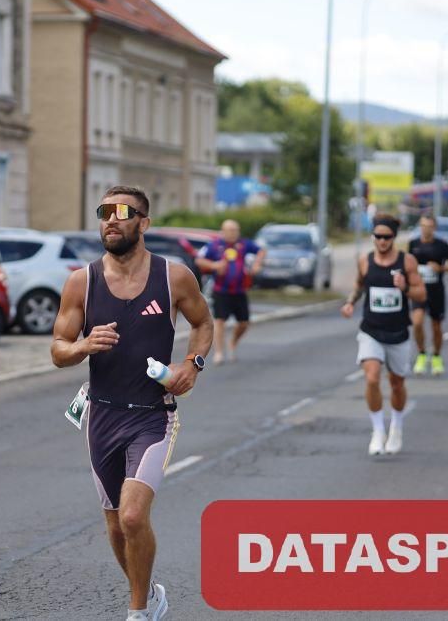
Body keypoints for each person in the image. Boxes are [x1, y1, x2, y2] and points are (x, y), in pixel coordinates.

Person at [51, 185, 213, 621]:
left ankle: (138, 610)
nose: (111, 219)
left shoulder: (173, 277)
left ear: (144, 223)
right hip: (101, 416)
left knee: (133, 516)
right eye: (104, 211)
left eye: (123, 211)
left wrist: (192, 365)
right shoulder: (82, 282)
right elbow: (58, 350)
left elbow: (202, 323)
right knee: (115, 523)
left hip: (152, 417)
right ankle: (150, 592)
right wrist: (83, 345)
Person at [341, 214, 426, 456]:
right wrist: (350, 302)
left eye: (386, 237)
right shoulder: (365, 261)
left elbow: (421, 295)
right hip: (371, 330)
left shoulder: (406, 261)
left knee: (397, 384)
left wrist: (405, 287)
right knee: (371, 378)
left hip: (398, 332)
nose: (382, 241)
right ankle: (378, 430)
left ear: (394, 237)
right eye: (377, 236)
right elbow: (359, 285)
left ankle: (396, 427)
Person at [195, 219, 265, 365]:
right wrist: (214, 265)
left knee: (244, 323)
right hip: (221, 290)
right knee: (219, 321)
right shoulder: (214, 245)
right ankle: (219, 352)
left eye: (236, 230)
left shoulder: (244, 244)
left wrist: (257, 263)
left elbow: (261, 251)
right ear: (223, 231)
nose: (234, 233)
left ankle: (233, 341)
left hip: (240, 290)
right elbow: (199, 260)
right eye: (231, 230)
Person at [408, 214, 448, 376]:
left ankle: (436, 356)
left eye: (429, 227)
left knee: (436, 326)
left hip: (436, 291)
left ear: (434, 228)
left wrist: (441, 268)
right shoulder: (413, 244)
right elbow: (407, 264)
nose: (426, 230)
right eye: (423, 226)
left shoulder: (442, 245)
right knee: (417, 322)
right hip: (418, 291)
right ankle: (422, 354)